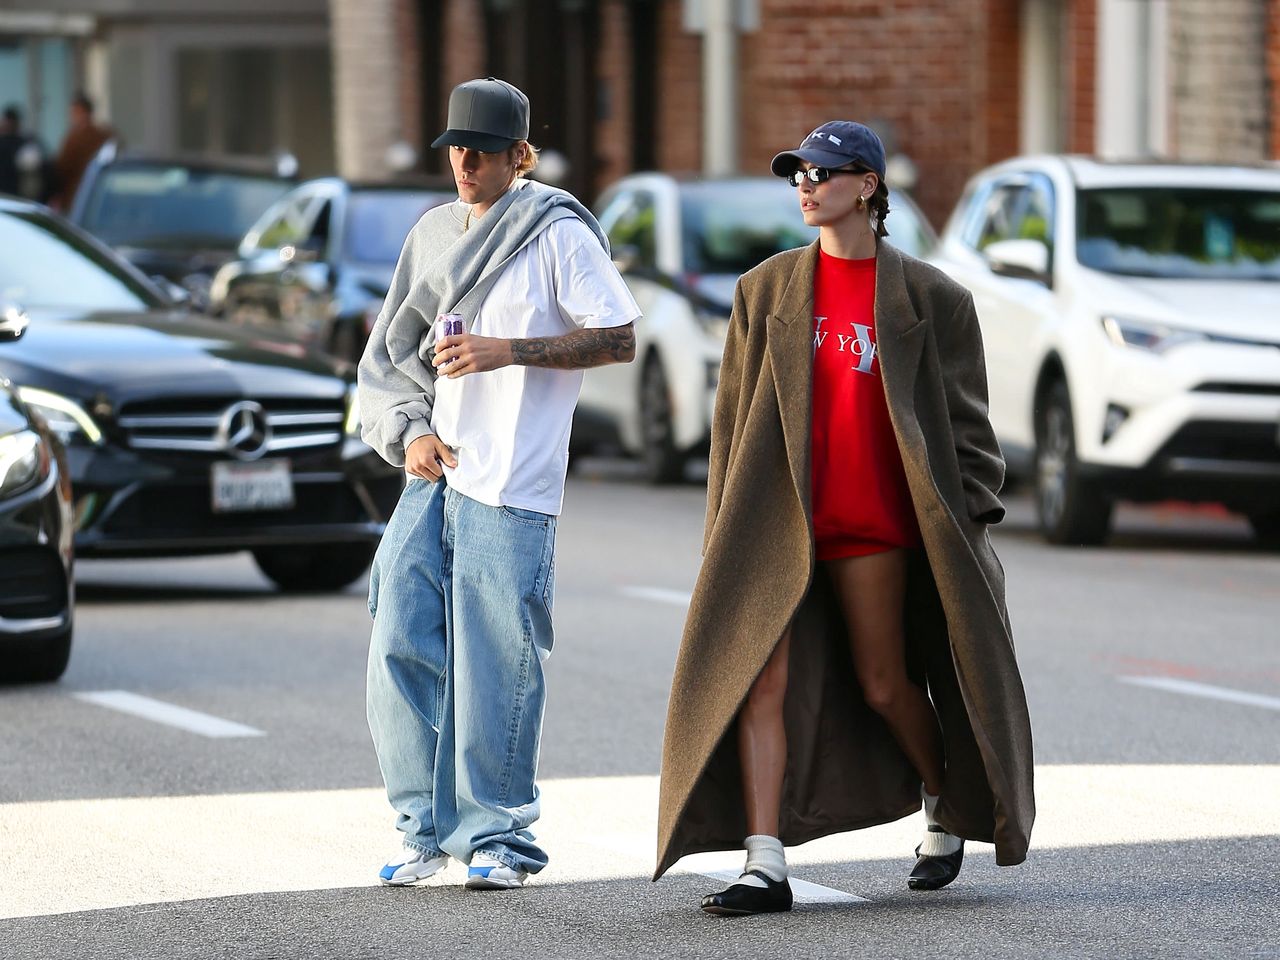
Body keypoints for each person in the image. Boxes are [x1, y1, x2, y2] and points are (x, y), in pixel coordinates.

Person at [654, 121, 1035, 915]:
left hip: (875, 527)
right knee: (759, 683)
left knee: (885, 684)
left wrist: (969, 520)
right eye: (797, 172)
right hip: (775, 527)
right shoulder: (764, 292)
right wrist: (720, 529)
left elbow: (969, 431)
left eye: (823, 173)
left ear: (867, 185)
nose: (806, 185)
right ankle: (765, 863)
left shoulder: (934, 299)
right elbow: (732, 423)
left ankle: (944, 805)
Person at [358, 77, 639, 891]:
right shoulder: (436, 231)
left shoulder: (555, 231)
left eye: (482, 151)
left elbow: (617, 337)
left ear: (521, 155)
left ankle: (500, 840)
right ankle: (421, 828)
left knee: (498, 658)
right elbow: (390, 353)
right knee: (397, 638)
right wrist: (409, 432)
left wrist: (504, 349)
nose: (465, 164)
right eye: (456, 149)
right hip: (436, 472)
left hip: (513, 483)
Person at [51, 92, 111, 212]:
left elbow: (62, 167)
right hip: (97, 195)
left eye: (74, 112)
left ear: (83, 112)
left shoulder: (77, 138)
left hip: (77, 195)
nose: (72, 116)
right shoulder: (103, 135)